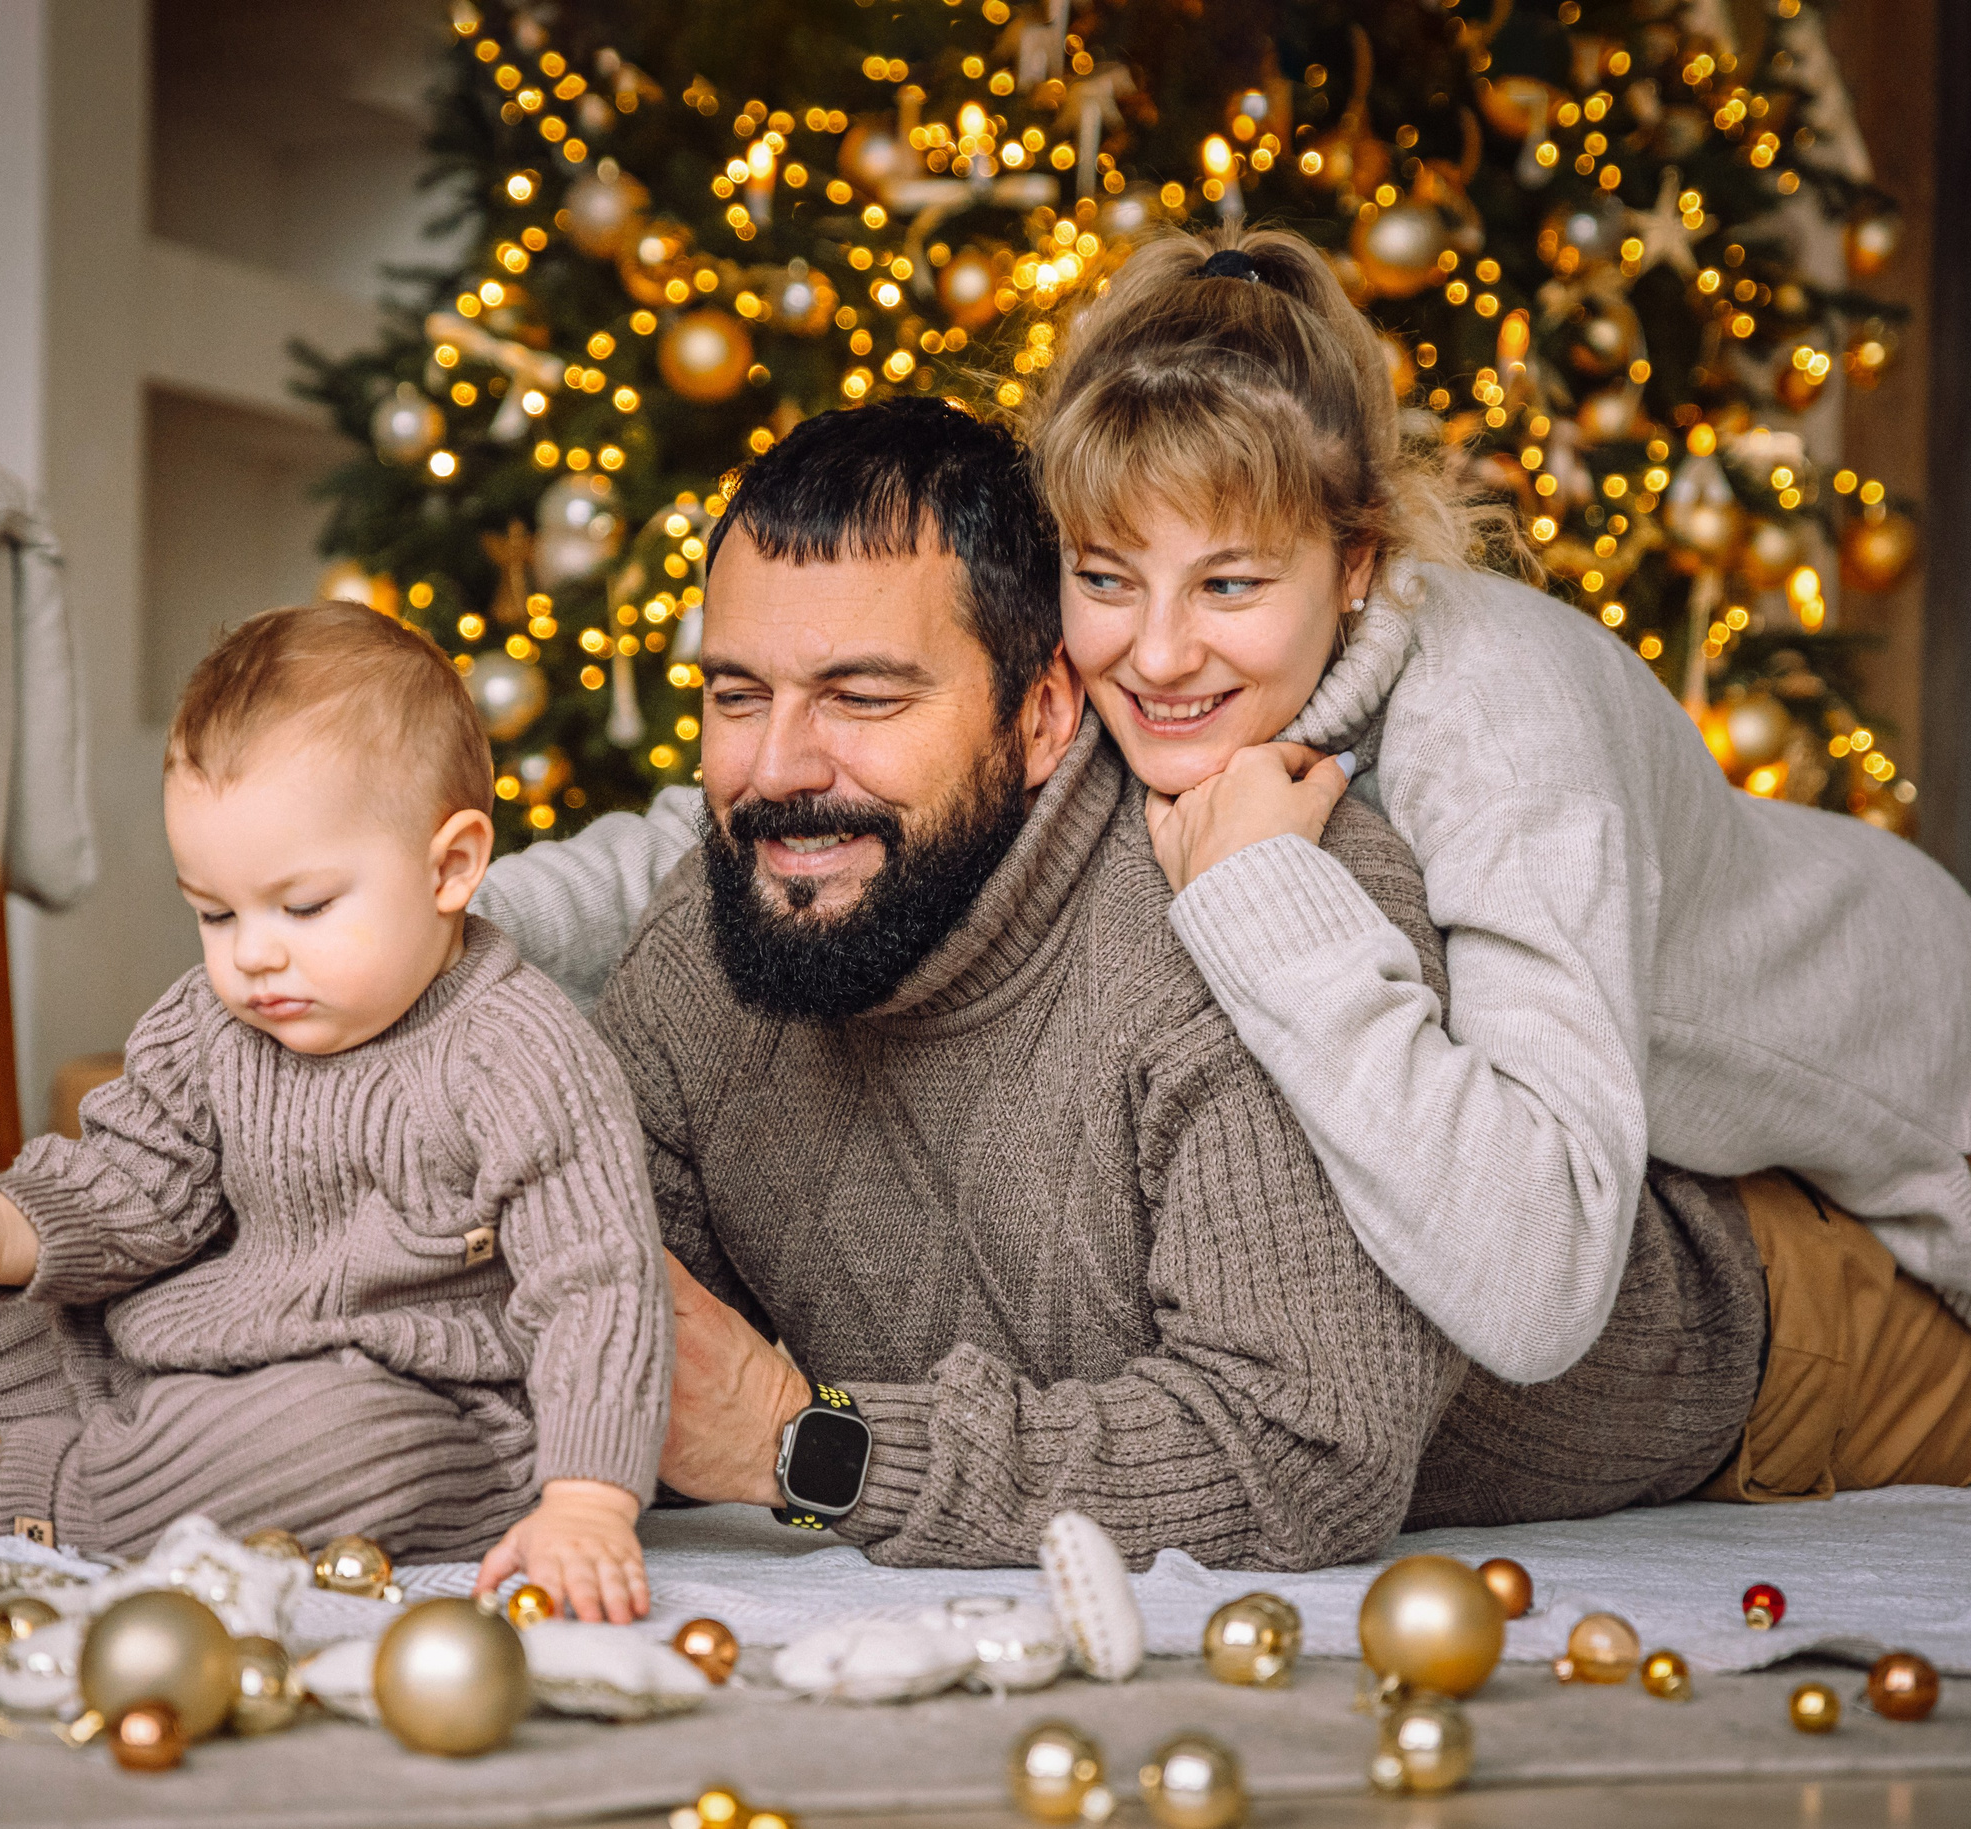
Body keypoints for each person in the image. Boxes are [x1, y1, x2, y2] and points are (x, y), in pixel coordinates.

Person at [593, 399, 1782, 1570]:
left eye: (864, 697)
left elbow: (1301, 1450)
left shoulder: (1254, 906)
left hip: (1786, 1346)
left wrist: (807, 1443)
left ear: (1044, 712)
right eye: (735, 695)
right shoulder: (708, 954)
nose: (776, 768)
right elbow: (603, 1341)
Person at [0, 603, 670, 1622]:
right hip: (189, 1332)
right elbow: (132, 1186)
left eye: (304, 904)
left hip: (415, 1400)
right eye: (215, 912)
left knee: (335, 1447)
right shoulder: (213, 1021)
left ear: (453, 865)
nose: (255, 952)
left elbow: (598, 1282)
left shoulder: (520, 1053)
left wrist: (588, 1498)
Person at [1023, 226, 1971, 1406]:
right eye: (1106, 575)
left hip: (1931, 1070)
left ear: (1354, 559)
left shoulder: (1500, 733)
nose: (1156, 655)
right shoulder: (1117, 685)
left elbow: (1541, 1286)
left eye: (1230, 582)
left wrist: (1259, 896)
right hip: (1743, 1164)